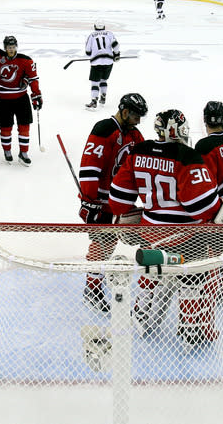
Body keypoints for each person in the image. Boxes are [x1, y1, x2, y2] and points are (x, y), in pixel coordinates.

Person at [108, 109, 222, 345]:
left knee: (151, 271)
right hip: (186, 237)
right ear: (176, 130)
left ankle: (139, 312)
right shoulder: (186, 155)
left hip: (150, 233)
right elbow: (202, 207)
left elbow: (118, 202)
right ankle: (191, 328)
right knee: (192, 279)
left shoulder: (137, 152)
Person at [78, 93, 148, 312]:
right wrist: (89, 201)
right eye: (136, 115)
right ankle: (92, 289)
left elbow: (144, 164)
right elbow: (90, 166)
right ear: (125, 111)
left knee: (109, 244)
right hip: (100, 201)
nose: (138, 121)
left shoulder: (135, 135)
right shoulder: (104, 129)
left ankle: (95, 284)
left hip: (119, 202)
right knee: (102, 243)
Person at [0, 36, 42, 166]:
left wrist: (36, 95)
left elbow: (33, 78)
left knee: (24, 127)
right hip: (3, 100)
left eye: (13, 47)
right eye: (9, 47)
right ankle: (7, 151)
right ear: (5, 48)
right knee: (5, 127)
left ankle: (24, 153)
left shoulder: (26, 60)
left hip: (21, 98)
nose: (11, 50)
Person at [84, 19, 120, 110]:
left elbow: (88, 52)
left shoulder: (91, 36)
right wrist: (116, 54)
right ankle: (103, 97)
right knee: (103, 80)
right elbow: (116, 45)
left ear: (95, 26)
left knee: (95, 82)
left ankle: (94, 101)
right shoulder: (109, 34)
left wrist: (93, 53)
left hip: (97, 62)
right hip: (109, 61)